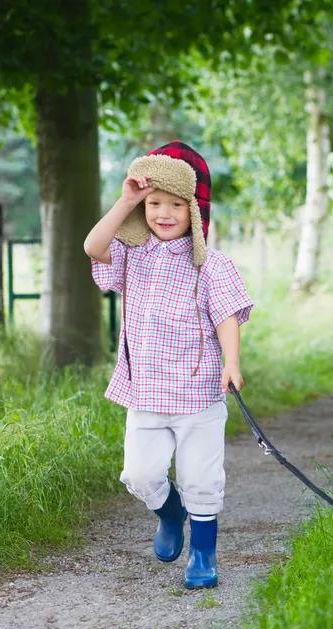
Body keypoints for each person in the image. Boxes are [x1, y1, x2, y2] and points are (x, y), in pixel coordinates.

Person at [83, 141, 253, 589]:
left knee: (201, 477)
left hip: (197, 396)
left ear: (194, 212)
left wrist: (231, 362)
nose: (163, 213)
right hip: (146, 394)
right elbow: (93, 246)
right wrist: (127, 200)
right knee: (140, 474)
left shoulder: (211, 267)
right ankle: (170, 514)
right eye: (155, 203)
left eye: (176, 205)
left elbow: (227, 315)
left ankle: (203, 555)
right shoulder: (131, 255)